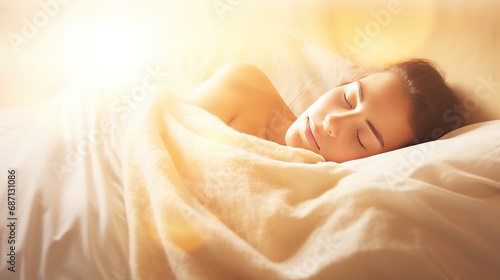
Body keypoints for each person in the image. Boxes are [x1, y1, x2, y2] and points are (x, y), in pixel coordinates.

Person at [185, 59, 460, 162]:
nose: (332, 122)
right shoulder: (244, 86)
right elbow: (152, 143)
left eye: (361, 138)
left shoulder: (326, 195)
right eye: (347, 99)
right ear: (341, 84)